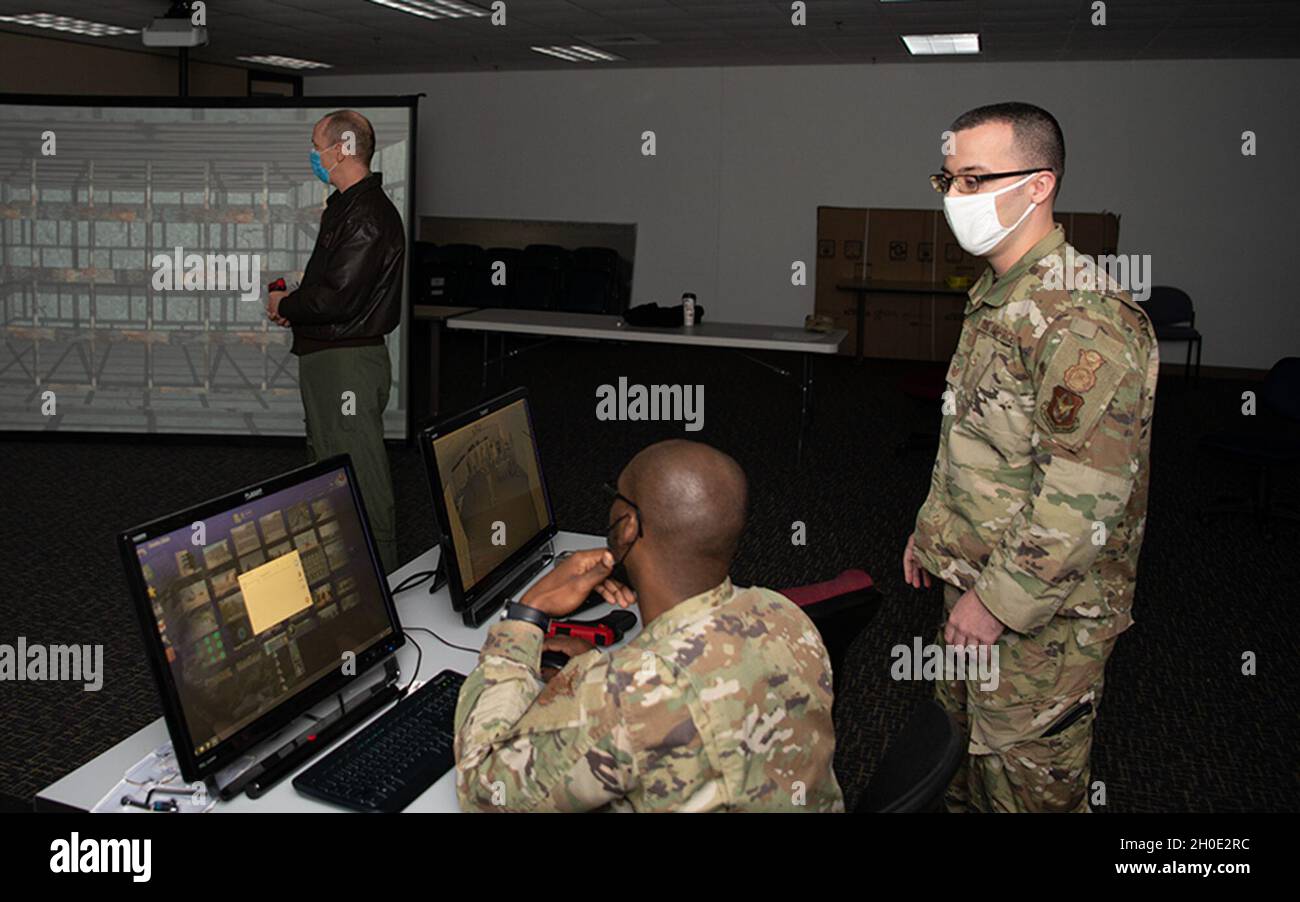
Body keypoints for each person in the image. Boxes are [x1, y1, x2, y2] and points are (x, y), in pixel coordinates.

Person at [903, 102, 1158, 812]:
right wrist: (934, 531)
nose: (957, 198)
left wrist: (996, 602)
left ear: (1039, 185)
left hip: (1041, 618)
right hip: (976, 582)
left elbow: (1082, 498)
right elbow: (979, 438)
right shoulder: (1002, 292)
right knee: (955, 770)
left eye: (976, 179)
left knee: (1020, 788)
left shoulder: (1083, 316)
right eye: (948, 180)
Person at [453, 439, 844, 812]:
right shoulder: (785, 614)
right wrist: (590, 673)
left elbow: (483, 791)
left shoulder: (631, 696)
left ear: (628, 525)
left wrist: (526, 615)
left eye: (615, 496)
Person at [267, 109, 404, 572]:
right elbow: (330, 287)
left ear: (342, 149)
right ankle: (341, 569)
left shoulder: (366, 213)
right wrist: (297, 305)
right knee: (328, 462)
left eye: (317, 146)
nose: (313, 156)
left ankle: (381, 578)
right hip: (329, 356)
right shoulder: (345, 206)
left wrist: (287, 307)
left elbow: (340, 298)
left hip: (346, 363)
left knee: (359, 471)